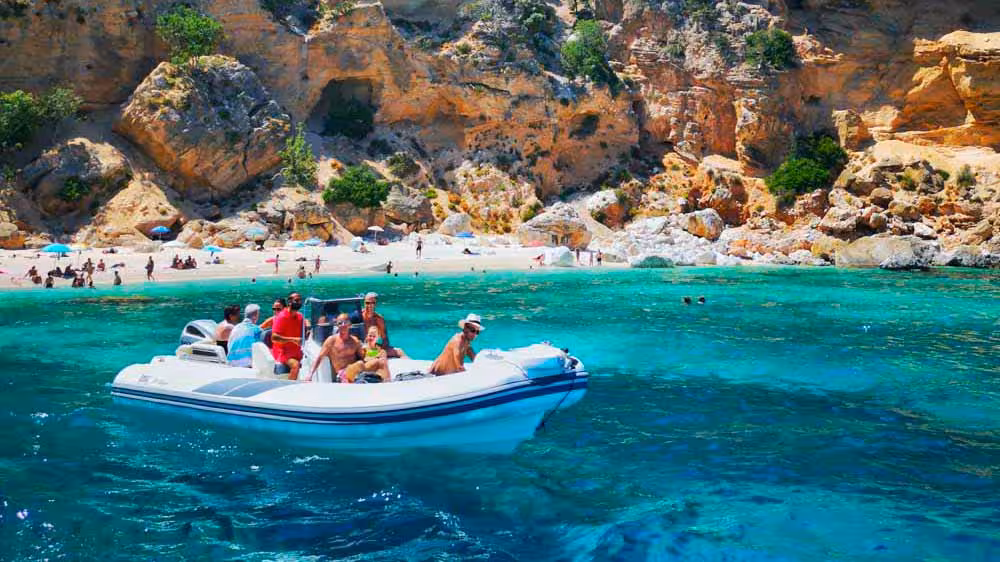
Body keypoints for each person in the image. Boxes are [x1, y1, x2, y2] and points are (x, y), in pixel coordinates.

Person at [307, 312, 363, 382]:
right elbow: (319, 358)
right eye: (340, 323)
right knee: (360, 365)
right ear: (337, 325)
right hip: (342, 375)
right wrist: (310, 374)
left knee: (377, 363)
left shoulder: (355, 341)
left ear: (350, 324)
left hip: (356, 373)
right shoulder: (331, 341)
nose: (343, 325)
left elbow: (362, 357)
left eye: (345, 322)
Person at [271, 292, 305, 379]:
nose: (299, 302)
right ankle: (290, 388)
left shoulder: (300, 317)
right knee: (296, 365)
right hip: (284, 353)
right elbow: (274, 338)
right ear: (289, 302)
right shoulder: (282, 317)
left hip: (299, 353)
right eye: (297, 300)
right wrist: (293, 339)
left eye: (300, 300)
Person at [361, 292, 406, 358]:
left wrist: (381, 348)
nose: (370, 305)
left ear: (376, 304)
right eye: (367, 303)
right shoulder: (358, 316)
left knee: (399, 351)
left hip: (373, 348)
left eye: (373, 303)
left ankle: (412, 367)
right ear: (364, 303)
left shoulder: (379, 319)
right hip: (361, 349)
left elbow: (384, 338)